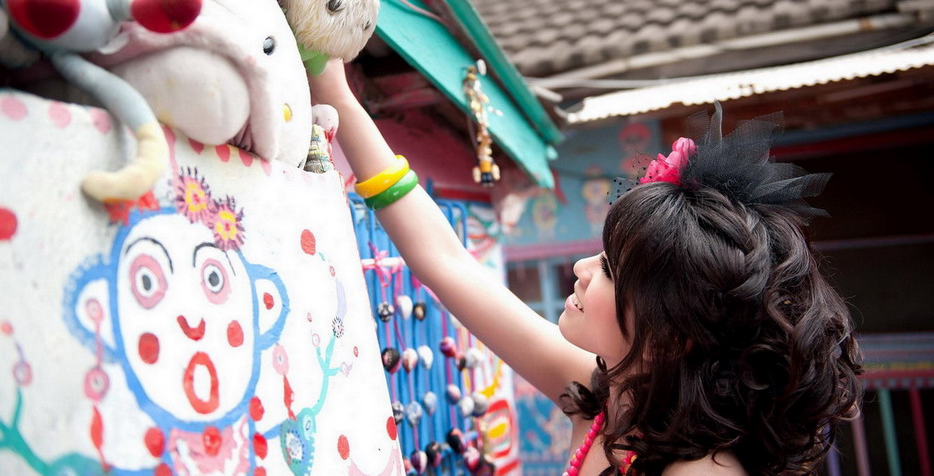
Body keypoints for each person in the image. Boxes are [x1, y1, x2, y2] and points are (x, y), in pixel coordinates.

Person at [310, 61, 863, 476]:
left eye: (610, 269)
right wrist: (338, 95)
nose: (580, 267)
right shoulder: (609, 398)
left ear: (673, 331)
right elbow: (447, 263)